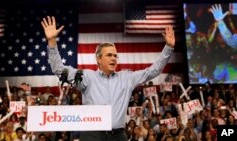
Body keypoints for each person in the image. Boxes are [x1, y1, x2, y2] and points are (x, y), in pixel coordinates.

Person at [41, 16, 175, 141]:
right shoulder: (86, 76)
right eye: (109, 55)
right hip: (92, 135)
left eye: (115, 56)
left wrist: (168, 47)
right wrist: (52, 41)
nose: (113, 58)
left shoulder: (127, 78)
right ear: (98, 58)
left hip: (118, 136)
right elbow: (59, 69)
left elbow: (154, 71)